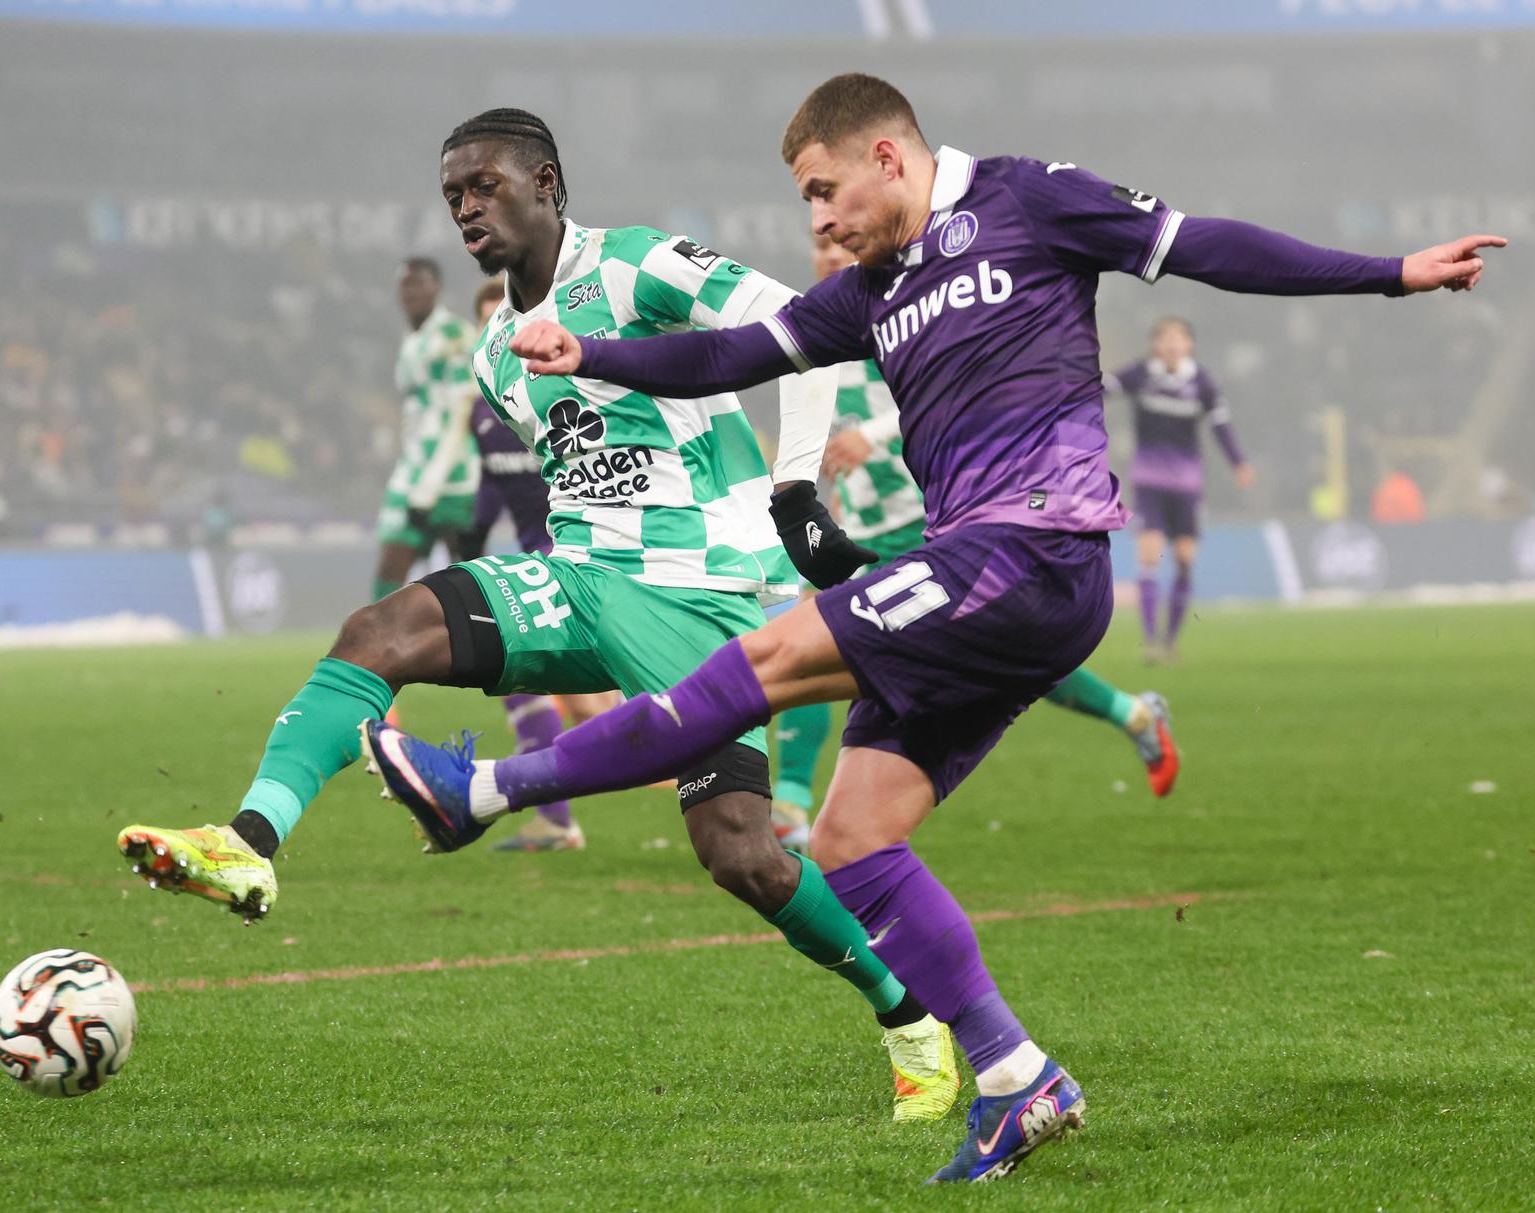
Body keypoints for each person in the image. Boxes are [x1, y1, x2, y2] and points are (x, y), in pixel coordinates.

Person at [364, 74, 1504, 1183]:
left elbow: (1205, 245)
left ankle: (491, 792)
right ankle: (1016, 1072)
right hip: (985, 570)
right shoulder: (873, 290)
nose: (815, 221)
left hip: (1033, 548)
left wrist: (1394, 274)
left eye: (823, 192)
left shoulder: (1027, 200)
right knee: (855, 841)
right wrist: (595, 352)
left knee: (753, 664)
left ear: (887, 157)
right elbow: (730, 356)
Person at [116, 107, 963, 1124]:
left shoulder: (642, 268)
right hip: (575, 576)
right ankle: (247, 839)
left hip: (700, 593)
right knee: (376, 634)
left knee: (740, 851)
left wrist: (794, 498)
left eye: (486, 186)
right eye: (454, 197)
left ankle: (908, 1013)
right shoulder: (492, 353)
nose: (469, 208)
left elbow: (815, 340)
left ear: (547, 180)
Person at [771, 233, 1180, 846]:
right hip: (857, 523)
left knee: (999, 656)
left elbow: (955, 396)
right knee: (806, 643)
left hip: (930, 518)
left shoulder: (903, 309)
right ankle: (794, 808)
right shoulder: (822, 325)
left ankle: (1135, 712)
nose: (828, 254)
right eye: (817, 245)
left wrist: (875, 437)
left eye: (838, 243)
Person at [461, 275, 603, 853]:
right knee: (528, 677)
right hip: (533, 554)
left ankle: (557, 816)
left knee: (538, 677)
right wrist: (467, 540)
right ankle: (556, 817)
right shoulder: (482, 406)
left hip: (581, 551)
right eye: (491, 321)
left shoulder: (568, 388)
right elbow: (494, 488)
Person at [1106, 317, 1253, 662]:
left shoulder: (1201, 381)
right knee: (1149, 554)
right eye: (1165, 338)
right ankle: (1151, 641)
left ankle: (1170, 641)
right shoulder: (1142, 374)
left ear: (1190, 345)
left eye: (1179, 338)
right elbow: (1101, 387)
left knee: (1185, 558)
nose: (1172, 344)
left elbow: (1221, 425)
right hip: (1149, 481)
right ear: (1156, 344)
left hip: (1187, 484)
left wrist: (1239, 462)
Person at [372, 258, 481, 602]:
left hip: (455, 471)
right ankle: (380, 649)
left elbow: (463, 410)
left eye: (419, 283)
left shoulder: (454, 335)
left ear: (437, 288)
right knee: (391, 564)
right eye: (405, 285)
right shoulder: (411, 339)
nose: (411, 292)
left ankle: (482, 650)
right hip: (414, 468)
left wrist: (432, 482)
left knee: (466, 573)